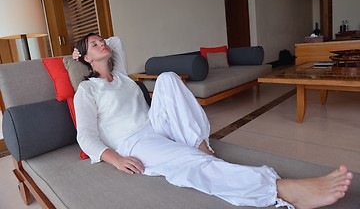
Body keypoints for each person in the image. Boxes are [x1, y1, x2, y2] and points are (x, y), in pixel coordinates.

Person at [73, 33, 353, 209]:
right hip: (133, 142)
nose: (102, 44)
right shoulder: (87, 90)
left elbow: (117, 40)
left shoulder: (120, 75)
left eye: (101, 40)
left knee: (168, 78)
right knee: (192, 163)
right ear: (86, 58)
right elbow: (85, 136)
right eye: (94, 45)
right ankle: (281, 189)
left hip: (155, 125)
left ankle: (200, 144)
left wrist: (96, 45)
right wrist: (116, 159)